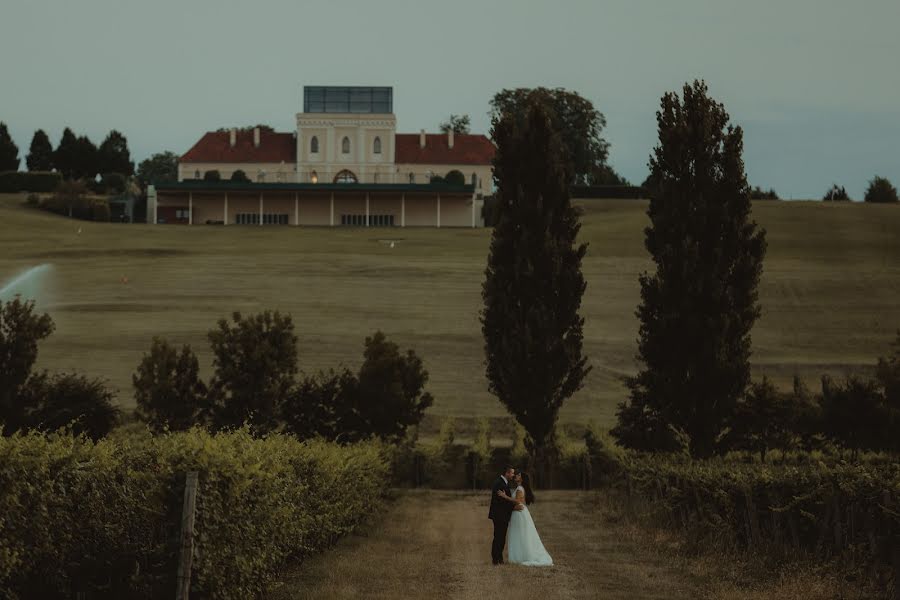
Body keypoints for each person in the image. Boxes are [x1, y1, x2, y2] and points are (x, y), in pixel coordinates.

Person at [500, 471, 553, 566]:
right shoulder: (519, 488)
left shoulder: (520, 488)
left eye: (519, 475)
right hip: (518, 512)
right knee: (520, 534)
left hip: (519, 513)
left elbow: (518, 501)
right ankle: (519, 556)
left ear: (522, 479)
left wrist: (505, 497)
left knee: (520, 534)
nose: (516, 476)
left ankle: (521, 556)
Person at [488, 466, 522, 565]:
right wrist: (514, 508)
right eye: (512, 473)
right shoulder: (499, 483)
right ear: (507, 473)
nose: (513, 475)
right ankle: (496, 559)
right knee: (498, 537)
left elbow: (505, 500)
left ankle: (499, 558)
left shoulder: (503, 483)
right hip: (499, 515)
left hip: (502, 515)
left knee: (501, 537)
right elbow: (502, 502)